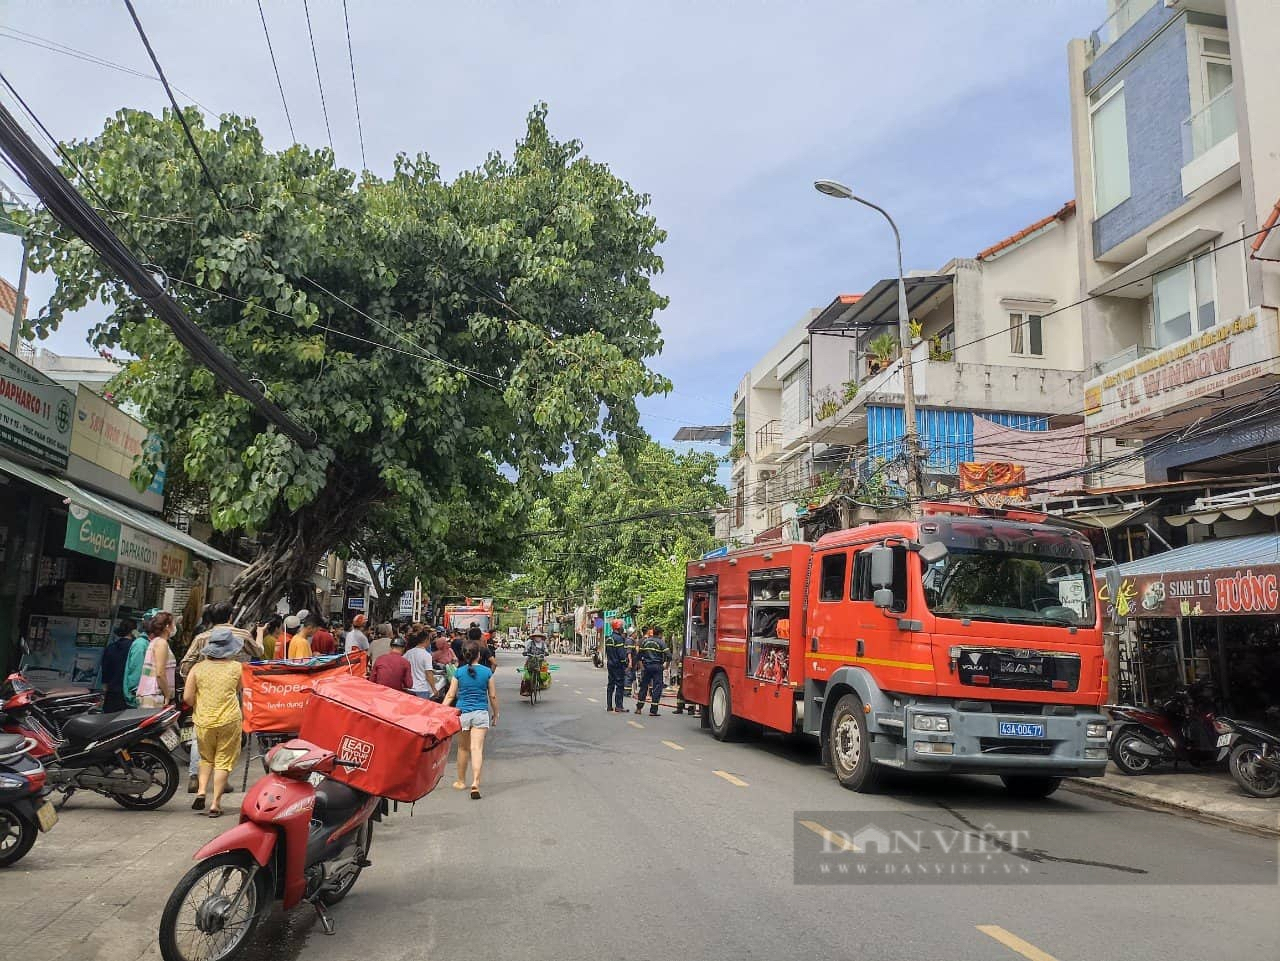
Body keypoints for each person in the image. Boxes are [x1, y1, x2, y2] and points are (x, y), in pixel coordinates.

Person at [180, 601, 259, 792]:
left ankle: (195, 776)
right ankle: (220, 782)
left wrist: (194, 680)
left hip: (204, 691)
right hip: (232, 691)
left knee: (201, 735)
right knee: (227, 740)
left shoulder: (201, 638)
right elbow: (259, 653)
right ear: (230, 617)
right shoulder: (242, 635)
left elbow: (185, 666)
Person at [183, 626, 244, 817]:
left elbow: (187, 698)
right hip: (229, 720)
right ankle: (215, 803)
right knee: (223, 761)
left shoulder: (197, 668)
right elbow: (242, 690)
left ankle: (202, 791)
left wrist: (199, 705)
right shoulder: (236, 668)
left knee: (206, 758)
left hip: (203, 721)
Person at [443, 641, 497, 800]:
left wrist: (439, 711)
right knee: (477, 749)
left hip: (463, 714)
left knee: (463, 748)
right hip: (480, 714)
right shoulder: (487, 672)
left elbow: (450, 695)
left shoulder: (458, 672)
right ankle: (475, 782)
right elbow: (492, 696)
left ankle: (460, 781)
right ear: (479, 655)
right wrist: (496, 713)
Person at [136, 611, 177, 709]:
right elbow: (160, 673)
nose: (175, 627)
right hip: (155, 695)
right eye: (173, 624)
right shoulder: (161, 644)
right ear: (167, 626)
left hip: (150, 693)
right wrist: (167, 695)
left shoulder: (155, 642)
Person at [99, 619, 136, 712]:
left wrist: (105, 687)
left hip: (112, 692)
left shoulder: (111, 647)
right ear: (133, 631)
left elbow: (105, 670)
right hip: (128, 693)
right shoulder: (135, 648)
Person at [635, 626, 671, 717]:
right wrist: (665, 666)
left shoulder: (645, 642)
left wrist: (642, 666)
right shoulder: (661, 643)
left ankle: (639, 708)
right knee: (657, 688)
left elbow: (639, 656)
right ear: (659, 634)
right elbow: (669, 656)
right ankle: (653, 711)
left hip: (647, 667)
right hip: (657, 667)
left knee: (643, 687)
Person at [123, 615, 153, 708]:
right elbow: (136, 672)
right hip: (138, 699)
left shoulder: (149, 643)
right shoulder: (141, 645)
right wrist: (136, 693)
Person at [403, 629, 439, 698]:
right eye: (429, 639)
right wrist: (434, 689)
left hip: (409, 688)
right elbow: (429, 674)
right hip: (422, 690)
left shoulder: (408, 653)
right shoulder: (426, 655)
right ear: (426, 640)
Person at [604, 624, 628, 713]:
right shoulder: (619, 639)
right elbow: (622, 655)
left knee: (610, 685)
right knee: (620, 685)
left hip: (610, 664)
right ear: (618, 628)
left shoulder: (609, 638)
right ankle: (619, 706)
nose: (623, 628)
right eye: (621, 627)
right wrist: (625, 665)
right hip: (618, 665)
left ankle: (609, 706)